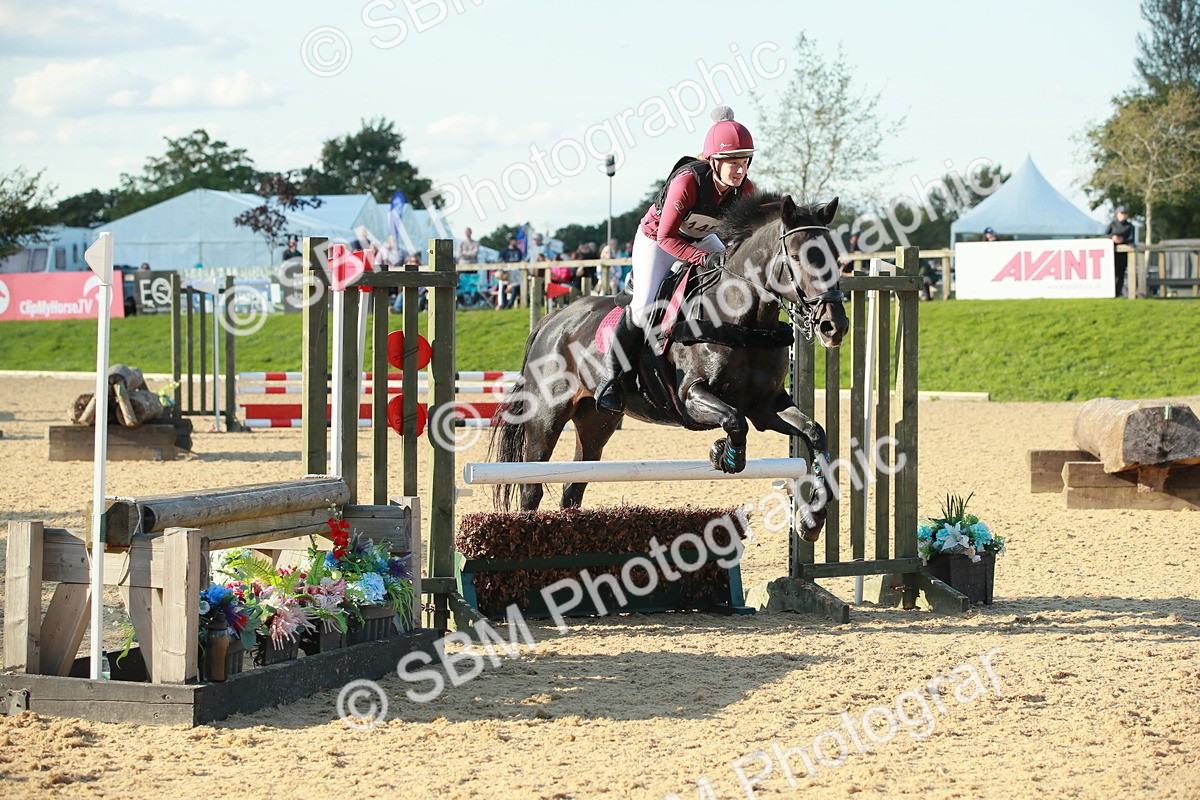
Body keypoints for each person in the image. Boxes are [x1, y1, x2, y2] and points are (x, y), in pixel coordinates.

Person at [595, 106, 757, 414]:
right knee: (642, 309)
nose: (740, 169)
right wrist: (701, 258)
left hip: (700, 238)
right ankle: (612, 380)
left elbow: (742, 237)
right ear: (714, 162)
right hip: (658, 239)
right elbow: (667, 237)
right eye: (732, 162)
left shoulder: (745, 189)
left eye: (744, 162)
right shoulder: (688, 181)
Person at [1105, 207, 1135, 297]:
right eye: (1121, 213)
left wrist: (1122, 240)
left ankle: (1118, 294)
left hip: (1124, 254)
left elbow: (1131, 239)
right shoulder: (1112, 225)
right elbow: (1105, 235)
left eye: (1124, 213)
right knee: (1112, 273)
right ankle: (1110, 293)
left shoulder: (1129, 226)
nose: (1123, 215)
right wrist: (1113, 238)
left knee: (1121, 274)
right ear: (1117, 214)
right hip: (1112, 254)